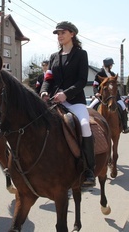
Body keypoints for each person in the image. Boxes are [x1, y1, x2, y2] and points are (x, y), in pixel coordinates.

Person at [40, 21, 95, 187]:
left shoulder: (81, 54)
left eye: (62, 32)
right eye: (58, 34)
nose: (60, 36)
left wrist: (66, 94)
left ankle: (89, 170)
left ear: (72, 34)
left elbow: (81, 81)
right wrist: (44, 91)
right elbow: (48, 79)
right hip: (54, 101)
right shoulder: (53, 57)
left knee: (85, 125)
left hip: (75, 101)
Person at [89, 57, 129, 133]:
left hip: (114, 97)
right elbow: (95, 85)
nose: (112, 66)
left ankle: (125, 126)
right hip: (102, 97)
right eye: (111, 65)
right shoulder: (100, 74)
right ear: (108, 65)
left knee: (123, 107)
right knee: (90, 107)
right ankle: (89, 127)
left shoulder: (112, 74)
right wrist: (96, 93)